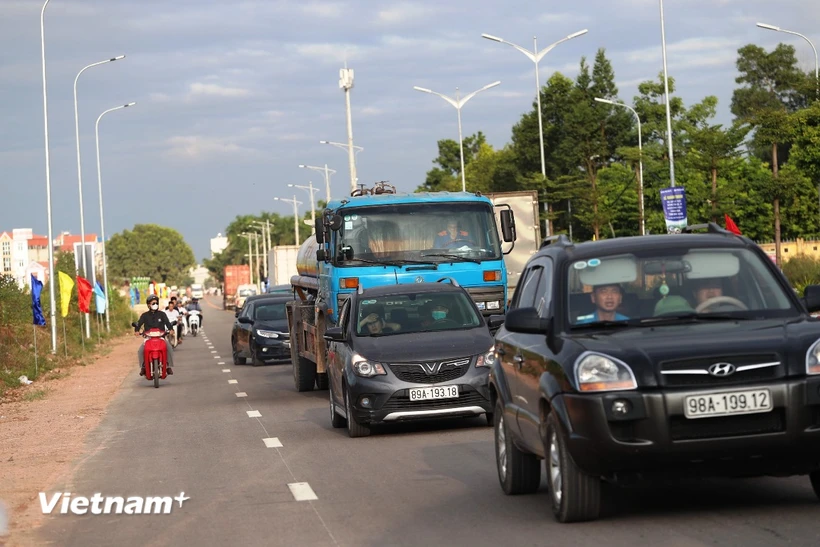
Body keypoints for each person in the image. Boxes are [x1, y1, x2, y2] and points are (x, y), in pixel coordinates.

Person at [134, 294, 175, 375]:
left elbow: (167, 323)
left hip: (161, 338)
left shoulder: (162, 314)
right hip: (148, 338)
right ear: (148, 305)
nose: (155, 305)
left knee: (169, 348)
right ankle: (143, 367)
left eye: (156, 303)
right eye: (153, 303)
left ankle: (168, 366)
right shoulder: (144, 315)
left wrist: (171, 329)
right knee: (141, 351)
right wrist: (136, 330)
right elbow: (138, 324)